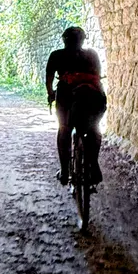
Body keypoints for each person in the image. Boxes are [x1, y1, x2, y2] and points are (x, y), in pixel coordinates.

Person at [46, 26, 107, 188]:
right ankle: (93, 164)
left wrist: (51, 94)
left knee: (64, 128)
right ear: (83, 40)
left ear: (64, 40)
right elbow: (98, 76)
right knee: (94, 128)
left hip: (67, 97)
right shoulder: (92, 54)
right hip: (94, 97)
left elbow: (49, 79)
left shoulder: (57, 55)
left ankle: (65, 171)